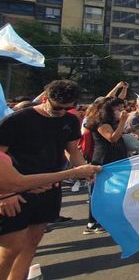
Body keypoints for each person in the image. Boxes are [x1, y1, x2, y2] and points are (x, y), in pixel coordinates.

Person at [0, 80, 90, 280]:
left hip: (49, 189)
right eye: (58, 107)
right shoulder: (16, 120)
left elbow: (72, 150)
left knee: (30, 245)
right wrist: (5, 193)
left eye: (69, 108)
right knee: (10, 249)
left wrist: (85, 171)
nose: (62, 112)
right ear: (44, 97)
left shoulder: (70, 120)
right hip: (17, 192)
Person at [83, 97, 130, 234]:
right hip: (104, 160)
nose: (121, 112)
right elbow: (112, 138)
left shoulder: (110, 122)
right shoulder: (101, 123)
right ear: (109, 110)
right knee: (99, 192)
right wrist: (122, 121)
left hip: (114, 159)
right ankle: (92, 222)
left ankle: (104, 219)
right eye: (118, 110)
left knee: (112, 191)